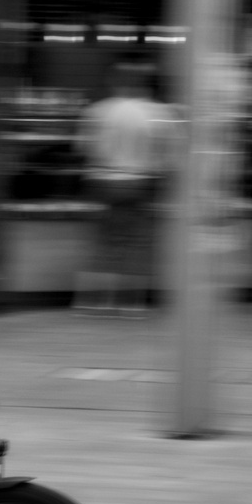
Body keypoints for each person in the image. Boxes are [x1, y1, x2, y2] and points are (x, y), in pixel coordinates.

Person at [72, 60, 179, 317]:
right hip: (138, 183)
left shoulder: (99, 110)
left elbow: (82, 148)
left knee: (104, 241)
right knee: (137, 242)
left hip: (102, 182)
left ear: (116, 83)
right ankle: (131, 302)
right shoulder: (159, 112)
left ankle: (92, 301)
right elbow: (170, 157)